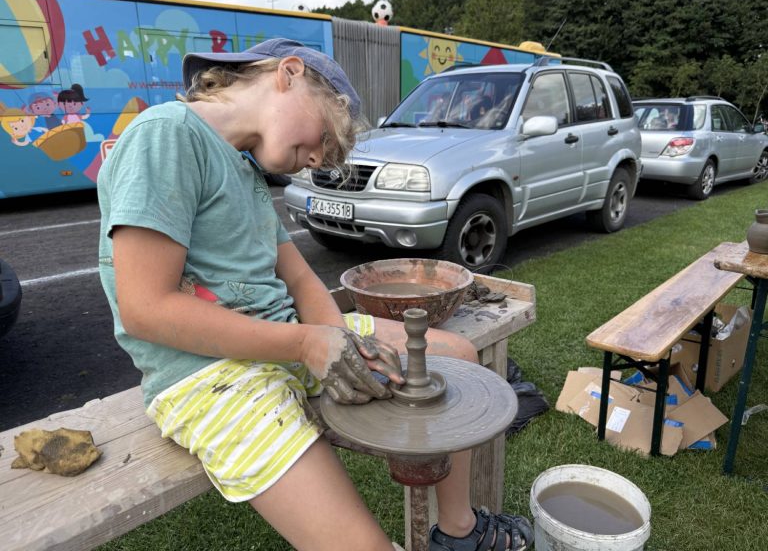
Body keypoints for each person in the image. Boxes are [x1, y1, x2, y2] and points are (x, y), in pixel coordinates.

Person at [97, 38, 533, 551]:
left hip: (287, 341)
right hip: (207, 372)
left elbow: (302, 280)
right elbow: (145, 309)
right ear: (288, 73)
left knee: (456, 357)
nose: (320, 158)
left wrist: (333, 339)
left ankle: (457, 532)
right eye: (327, 135)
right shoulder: (165, 136)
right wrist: (308, 345)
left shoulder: (242, 166)